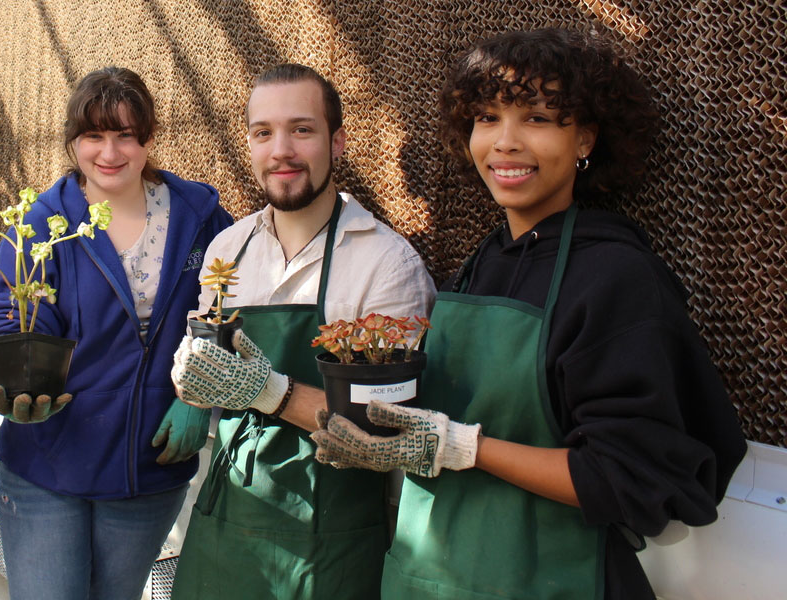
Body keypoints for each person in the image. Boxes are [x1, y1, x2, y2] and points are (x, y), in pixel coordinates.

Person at [310, 29, 748, 599]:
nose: (505, 142)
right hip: (426, 576)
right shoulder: (479, 265)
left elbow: (629, 478)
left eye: (538, 119)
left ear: (586, 138)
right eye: (487, 118)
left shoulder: (616, 278)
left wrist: (462, 448)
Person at [169, 64, 437, 599]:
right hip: (228, 514)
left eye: (302, 129)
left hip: (331, 533)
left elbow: (386, 430)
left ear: (337, 143)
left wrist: (266, 391)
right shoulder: (229, 250)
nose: (281, 150)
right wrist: (191, 384)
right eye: (263, 132)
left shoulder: (386, 264)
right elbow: (207, 361)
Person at [0, 66, 232, 600]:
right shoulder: (42, 223)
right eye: (93, 135)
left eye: (125, 135)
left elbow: (232, 307)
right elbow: (13, 312)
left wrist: (200, 397)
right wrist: (28, 383)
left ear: (148, 138)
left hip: (150, 464)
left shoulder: (199, 217)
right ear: (73, 141)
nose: (110, 152)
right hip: (48, 458)